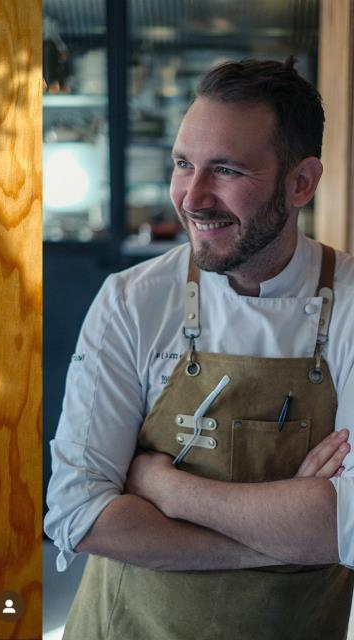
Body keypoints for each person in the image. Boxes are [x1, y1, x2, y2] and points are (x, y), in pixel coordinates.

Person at [44, 57, 354, 639]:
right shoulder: (132, 302)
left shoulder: (352, 305)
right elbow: (78, 514)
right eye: (184, 164)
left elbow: (348, 524)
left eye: (227, 171)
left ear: (302, 182)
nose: (192, 198)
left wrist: (166, 487)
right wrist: (276, 541)